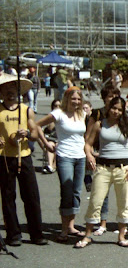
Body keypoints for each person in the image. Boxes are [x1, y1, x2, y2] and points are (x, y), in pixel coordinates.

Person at [76, 97, 128, 248]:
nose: (116, 112)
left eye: (120, 109)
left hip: (124, 169)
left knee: (123, 203)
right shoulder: (100, 125)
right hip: (103, 168)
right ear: (109, 108)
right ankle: (87, 235)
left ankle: (121, 236)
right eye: (114, 108)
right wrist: (89, 155)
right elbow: (87, 144)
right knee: (95, 201)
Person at [0, 74, 48, 246]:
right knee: (7, 197)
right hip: (5, 158)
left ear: (18, 91)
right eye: (5, 89)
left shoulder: (26, 110)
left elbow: (35, 134)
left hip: (24, 157)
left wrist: (27, 133)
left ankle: (37, 233)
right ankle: (13, 234)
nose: (9, 92)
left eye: (12, 89)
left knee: (31, 196)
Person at [37, 87, 87, 242]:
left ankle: (71, 226)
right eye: (73, 99)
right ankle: (64, 229)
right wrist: (46, 144)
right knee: (67, 191)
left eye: (79, 99)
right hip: (64, 156)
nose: (76, 102)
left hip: (81, 157)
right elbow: (37, 125)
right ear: (67, 99)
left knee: (76, 192)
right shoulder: (58, 113)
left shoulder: (82, 114)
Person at [85, 84, 121, 236]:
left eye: (115, 96)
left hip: (118, 156)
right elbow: (88, 135)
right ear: (104, 98)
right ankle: (102, 222)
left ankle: (122, 223)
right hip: (100, 155)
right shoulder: (97, 113)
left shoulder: (121, 113)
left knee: (122, 193)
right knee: (101, 192)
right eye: (109, 97)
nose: (112, 100)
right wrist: (90, 153)